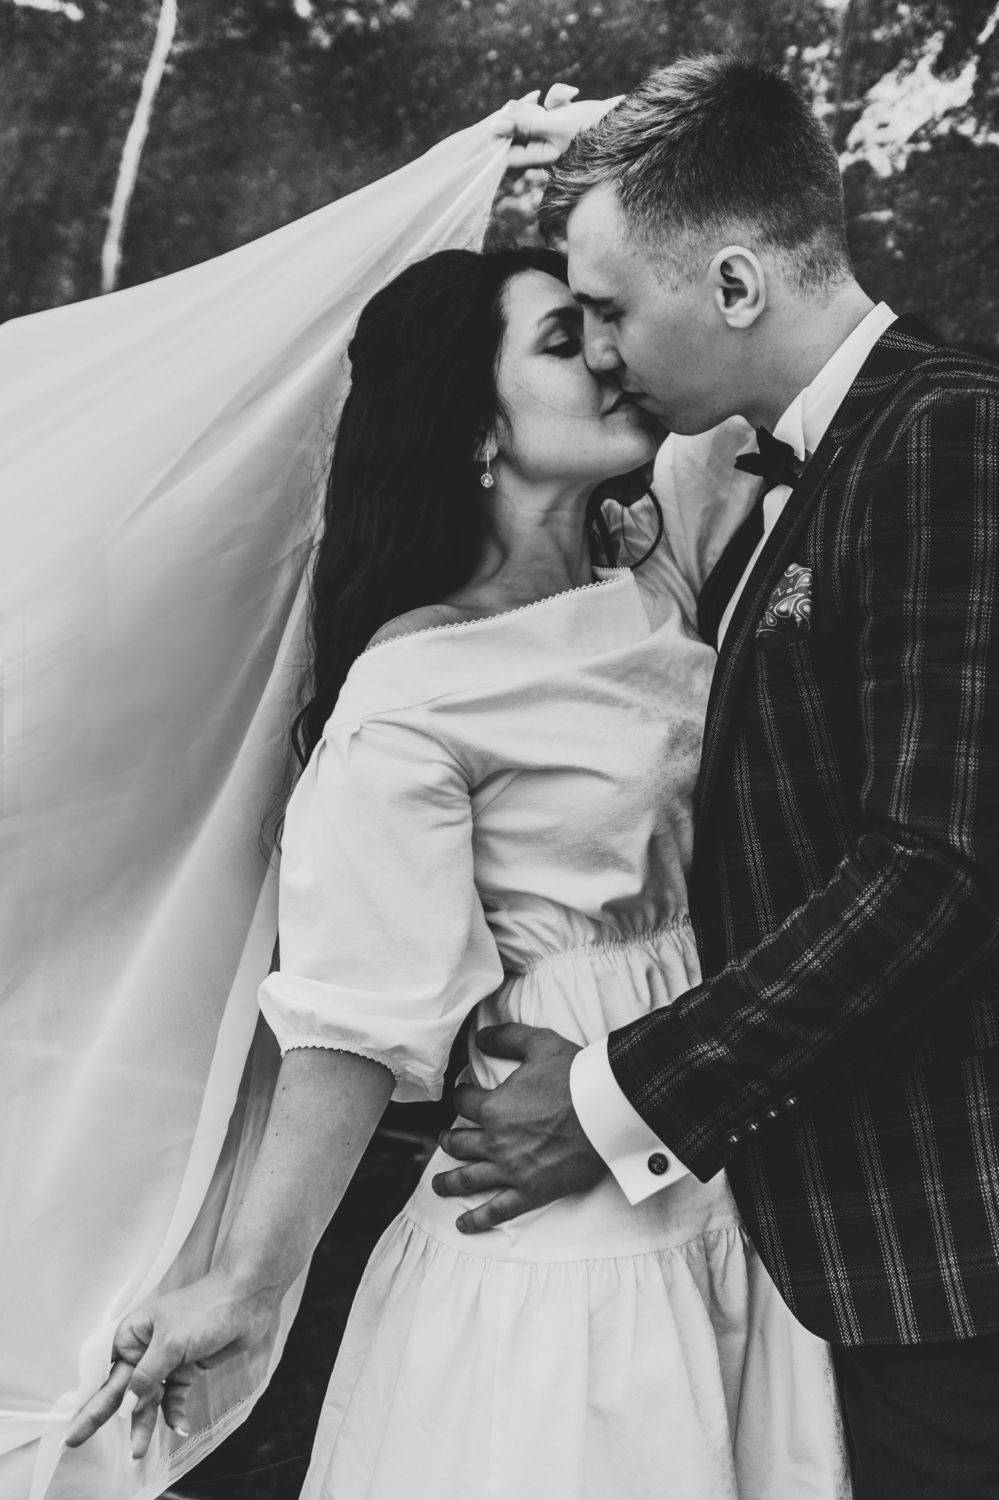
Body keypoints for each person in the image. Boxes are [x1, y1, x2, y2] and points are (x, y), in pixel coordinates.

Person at [65, 239, 851, 1496]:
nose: (610, 355)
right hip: (562, 1201)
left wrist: (586, 191)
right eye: (563, 341)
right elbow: (360, 1018)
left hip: (728, 1135)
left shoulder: (655, 565)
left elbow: (736, 322)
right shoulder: (415, 688)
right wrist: (251, 1282)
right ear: (473, 423)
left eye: (600, 324)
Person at [428, 56, 999, 1500]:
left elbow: (937, 868)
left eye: (611, 310)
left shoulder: (945, 436)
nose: (602, 352)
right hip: (849, 1260)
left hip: (955, 1256)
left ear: (735, 284)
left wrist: (614, 1096)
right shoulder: (793, 471)